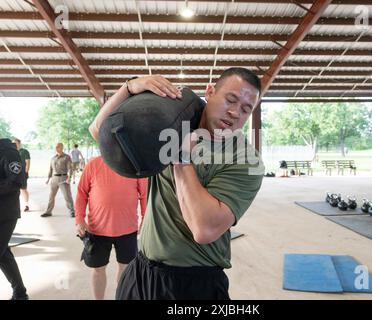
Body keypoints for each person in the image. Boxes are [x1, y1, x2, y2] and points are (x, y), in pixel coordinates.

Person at [90, 67, 264, 300]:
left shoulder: (245, 160)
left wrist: (182, 160)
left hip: (195, 285)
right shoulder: (174, 120)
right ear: (210, 91)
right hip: (141, 272)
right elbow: (100, 132)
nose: (235, 113)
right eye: (230, 100)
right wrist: (130, 87)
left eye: (245, 109)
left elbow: (204, 229)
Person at [75, 156, 148, 300]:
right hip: (97, 230)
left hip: (127, 229)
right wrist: (79, 219)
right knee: (98, 269)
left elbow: (145, 195)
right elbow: (82, 192)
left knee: (126, 269)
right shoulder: (94, 164)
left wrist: (145, 220)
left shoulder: (134, 164)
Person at [0, 138, 29, 300]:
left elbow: (18, 181)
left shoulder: (9, 152)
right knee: (3, 253)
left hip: (5, 213)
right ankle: (20, 293)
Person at [41, 142, 75, 218]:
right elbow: (50, 169)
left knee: (67, 196)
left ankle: (72, 211)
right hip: (54, 179)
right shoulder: (53, 158)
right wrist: (48, 178)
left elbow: (70, 168)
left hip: (63, 178)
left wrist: (69, 177)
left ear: (62, 148)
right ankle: (48, 212)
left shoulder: (66, 157)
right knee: (51, 196)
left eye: (58, 147)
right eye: (55, 147)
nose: (56, 148)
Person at [13, 138, 31, 212]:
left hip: (22, 173)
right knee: (14, 190)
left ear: (19, 143)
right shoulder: (12, 152)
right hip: (14, 174)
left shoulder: (24, 151)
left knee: (23, 189)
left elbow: (28, 162)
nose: (14, 145)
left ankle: (26, 205)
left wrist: (26, 172)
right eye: (13, 143)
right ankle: (15, 206)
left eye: (16, 143)